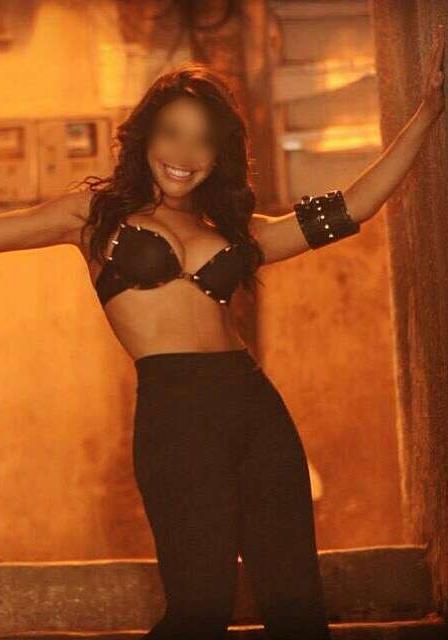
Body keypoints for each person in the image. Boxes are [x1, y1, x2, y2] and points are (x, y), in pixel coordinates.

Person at [0, 26, 444, 639]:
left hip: (255, 410)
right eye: (172, 132)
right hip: (174, 416)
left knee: (295, 606)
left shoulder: (236, 231)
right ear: (145, 136)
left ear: (220, 154)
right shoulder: (94, 215)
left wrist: (429, 111)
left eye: (204, 140)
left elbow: (355, 206)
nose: (184, 152)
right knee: (199, 609)